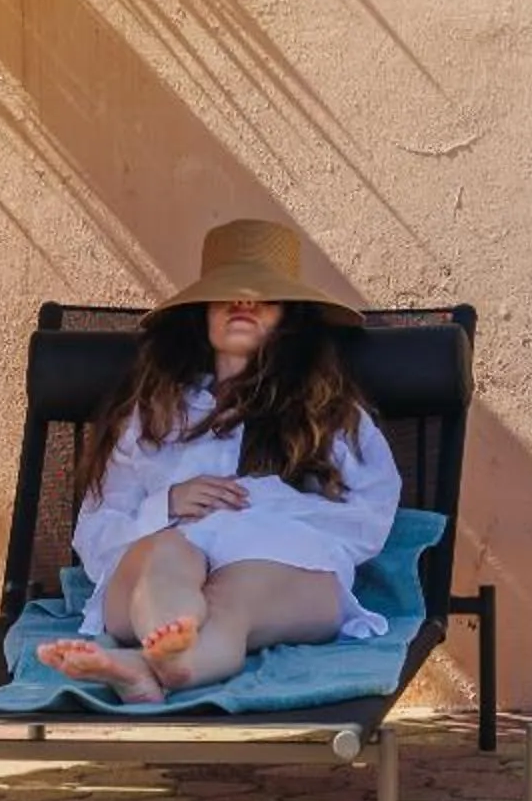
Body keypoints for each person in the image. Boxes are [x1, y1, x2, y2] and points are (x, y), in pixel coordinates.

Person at [39, 219, 402, 706]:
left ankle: (158, 664)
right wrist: (167, 505)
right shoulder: (153, 415)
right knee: (170, 556)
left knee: (235, 597)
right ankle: (170, 645)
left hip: (280, 569)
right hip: (154, 575)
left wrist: (263, 509)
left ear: (289, 320)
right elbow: (95, 528)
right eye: (227, 295)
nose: (244, 305)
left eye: (263, 298)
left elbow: (370, 516)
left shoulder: (330, 414)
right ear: (201, 316)